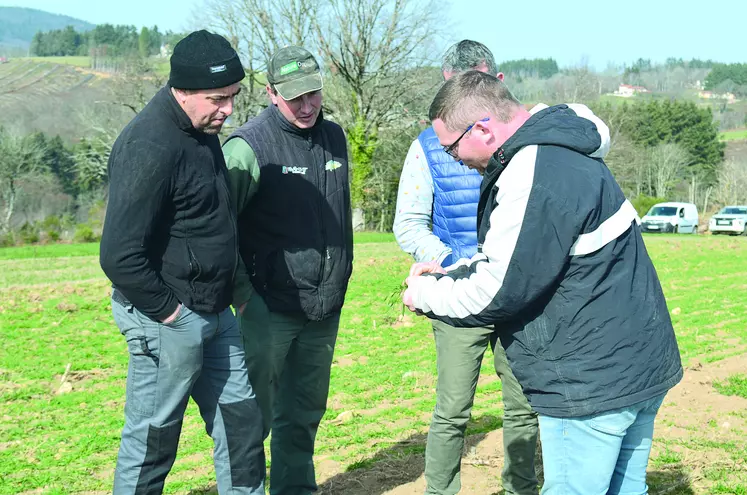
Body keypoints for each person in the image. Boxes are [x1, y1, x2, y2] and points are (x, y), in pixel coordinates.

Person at [403, 70, 683, 494]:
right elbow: (523, 257)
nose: (453, 159)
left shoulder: (532, 170)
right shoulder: (565, 146)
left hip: (591, 384)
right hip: (637, 365)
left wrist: (424, 292)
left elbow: (498, 290)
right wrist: (451, 272)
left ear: (482, 128)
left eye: (451, 148)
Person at [99, 30, 265, 495]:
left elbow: (211, 220)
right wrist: (173, 317)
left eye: (233, 97)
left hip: (216, 311)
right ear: (184, 90)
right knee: (155, 437)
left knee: (241, 423)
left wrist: (234, 291)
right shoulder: (148, 145)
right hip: (166, 316)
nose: (228, 110)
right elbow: (118, 255)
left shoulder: (202, 129)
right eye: (218, 98)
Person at [393, 40, 540, 495]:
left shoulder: (529, 141)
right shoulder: (426, 147)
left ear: (496, 83)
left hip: (518, 294)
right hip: (459, 296)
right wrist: (459, 264)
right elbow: (409, 225)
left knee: (524, 406)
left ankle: (522, 488)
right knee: (453, 409)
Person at [222, 45, 353, 495]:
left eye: (313, 93)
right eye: (294, 95)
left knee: (303, 414)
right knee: (251, 417)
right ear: (270, 92)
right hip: (267, 307)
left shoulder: (334, 137)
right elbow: (219, 229)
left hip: (323, 307)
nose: (306, 105)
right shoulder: (247, 147)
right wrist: (244, 296)